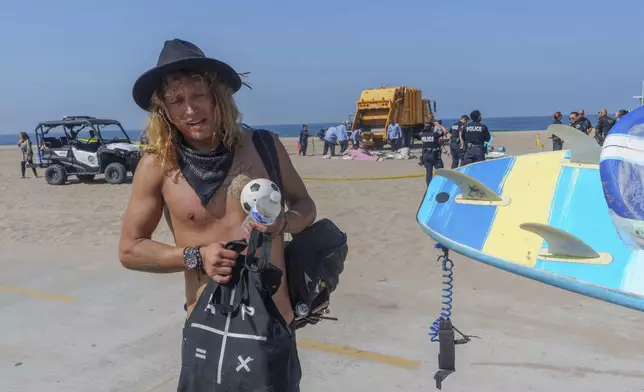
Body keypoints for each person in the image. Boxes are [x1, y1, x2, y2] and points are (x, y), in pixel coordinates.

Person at [118, 38, 316, 390]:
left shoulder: (264, 146)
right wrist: (197, 256)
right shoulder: (157, 166)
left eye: (198, 95)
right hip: (208, 331)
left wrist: (283, 223)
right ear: (163, 109)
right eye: (177, 101)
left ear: (218, 96)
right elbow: (130, 249)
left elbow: (306, 206)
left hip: (273, 325)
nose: (190, 110)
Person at [419, 119, 448, 185]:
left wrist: (425, 128)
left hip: (425, 155)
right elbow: (445, 131)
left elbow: (419, 133)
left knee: (428, 173)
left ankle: (429, 187)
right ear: (432, 127)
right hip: (434, 155)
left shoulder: (422, 134)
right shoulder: (435, 134)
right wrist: (439, 125)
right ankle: (440, 185)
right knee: (441, 172)